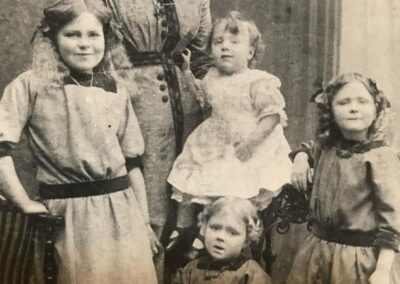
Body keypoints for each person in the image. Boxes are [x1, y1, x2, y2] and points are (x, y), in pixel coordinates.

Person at [0, 1, 158, 283]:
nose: (84, 44)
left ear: (106, 40)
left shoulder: (116, 89)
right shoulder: (31, 85)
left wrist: (144, 222)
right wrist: (22, 201)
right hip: (69, 219)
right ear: (53, 39)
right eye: (73, 35)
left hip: (124, 214)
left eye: (93, 35)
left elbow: (133, 163)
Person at [101, 0, 212, 280]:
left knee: (188, 210)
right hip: (134, 104)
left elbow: (201, 57)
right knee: (147, 206)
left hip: (189, 113)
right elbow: (93, 44)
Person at [166, 11, 292, 252]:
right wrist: (186, 72)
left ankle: (228, 236)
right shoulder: (212, 76)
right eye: (218, 42)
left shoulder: (257, 80)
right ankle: (193, 230)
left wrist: (251, 144)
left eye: (235, 43)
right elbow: (203, 97)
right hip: (214, 142)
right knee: (199, 184)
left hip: (244, 146)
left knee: (232, 195)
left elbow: (272, 115)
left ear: (251, 52)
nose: (225, 48)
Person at [287, 73, 400, 284]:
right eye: (344, 102)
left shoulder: (380, 157)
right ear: (331, 111)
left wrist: (383, 269)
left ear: (376, 109)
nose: (353, 108)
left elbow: (393, 220)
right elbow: (310, 149)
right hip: (316, 252)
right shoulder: (326, 146)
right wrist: (301, 158)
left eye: (362, 101)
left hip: (358, 261)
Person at [172, 196, 271, 283]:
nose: (220, 237)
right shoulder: (190, 270)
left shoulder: (252, 274)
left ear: (246, 240)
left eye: (232, 233)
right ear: (205, 227)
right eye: (215, 228)